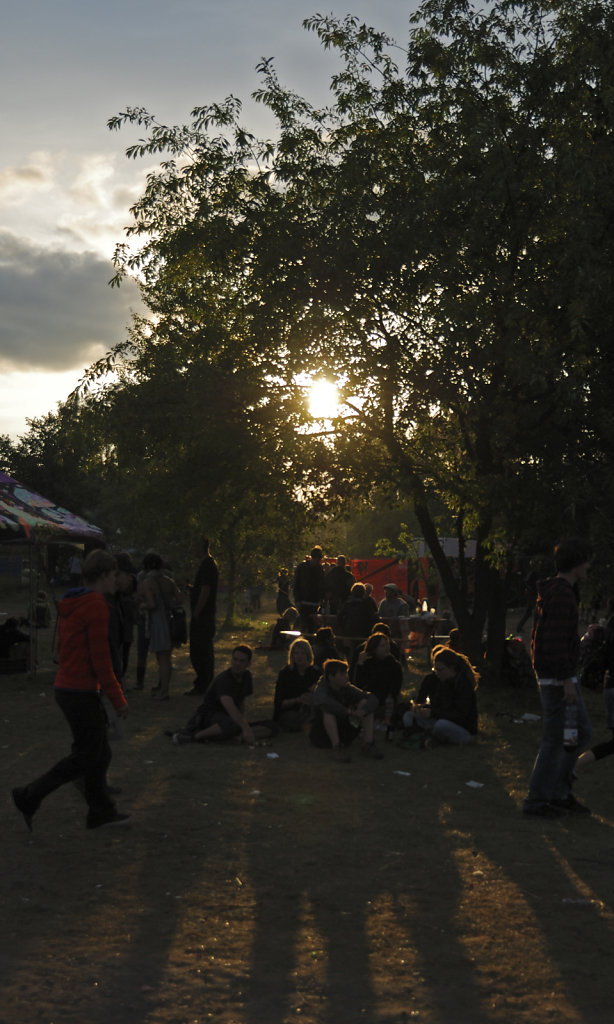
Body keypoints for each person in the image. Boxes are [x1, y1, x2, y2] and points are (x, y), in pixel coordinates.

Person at [11, 549, 130, 831]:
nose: (118, 581)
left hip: (68, 688)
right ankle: (30, 796)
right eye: (114, 575)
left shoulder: (74, 602)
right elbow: (101, 660)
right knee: (88, 756)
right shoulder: (96, 606)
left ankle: (99, 811)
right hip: (79, 690)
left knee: (97, 755)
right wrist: (118, 699)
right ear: (103, 575)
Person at [522, 538, 593, 818]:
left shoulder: (557, 591)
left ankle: (558, 794)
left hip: (557, 677)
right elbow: (553, 642)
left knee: (572, 736)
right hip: (558, 680)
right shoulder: (562, 594)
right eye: (586, 561)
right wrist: (566, 680)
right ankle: (538, 800)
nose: (589, 566)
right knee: (558, 739)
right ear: (576, 564)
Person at [171, 645, 256, 745]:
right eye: (235, 659)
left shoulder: (247, 677)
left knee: (269, 727)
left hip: (227, 717)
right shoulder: (224, 680)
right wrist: (244, 727)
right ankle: (195, 736)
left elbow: (241, 701)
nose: (237, 664)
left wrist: (243, 723)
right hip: (209, 716)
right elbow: (230, 707)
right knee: (232, 724)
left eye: (242, 661)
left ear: (249, 663)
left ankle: (232, 737)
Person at [401, 645, 479, 746]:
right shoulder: (441, 682)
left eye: (440, 670)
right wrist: (422, 709)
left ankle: (432, 736)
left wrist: (432, 713)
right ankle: (431, 735)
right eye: (435, 670)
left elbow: (459, 716)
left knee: (440, 725)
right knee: (409, 716)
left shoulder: (463, 686)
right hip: (441, 719)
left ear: (451, 668)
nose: (437, 673)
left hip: (463, 729)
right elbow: (438, 706)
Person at [309, 658, 383, 761]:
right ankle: (337, 748)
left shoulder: (346, 688)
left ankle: (368, 743)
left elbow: (371, 698)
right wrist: (347, 711)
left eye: (346, 673)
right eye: (342, 674)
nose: (346, 677)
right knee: (327, 710)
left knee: (365, 703)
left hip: (344, 729)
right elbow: (324, 701)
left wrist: (363, 710)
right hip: (322, 734)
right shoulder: (322, 689)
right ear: (331, 677)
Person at [138, 551, 181, 700]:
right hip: (170, 621)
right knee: (167, 658)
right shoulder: (169, 581)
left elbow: (151, 604)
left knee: (162, 659)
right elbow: (179, 598)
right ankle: (164, 688)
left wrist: (142, 606)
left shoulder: (147, 582)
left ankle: (164, 691)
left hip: (157, 622)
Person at [186, 537, 219, 696]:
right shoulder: (208, 565)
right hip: (204, 615)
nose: (190, 548)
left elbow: (206, 590)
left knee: (200, 651)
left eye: (193, 544)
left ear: (201, 546)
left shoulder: (207, 565)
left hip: (203, 617)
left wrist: (197, 612)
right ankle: (203, 682)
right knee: (201, 650)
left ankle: (203, 684)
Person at [273, 637, 319, 731]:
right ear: (292, 655)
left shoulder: (314, 673)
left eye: (302, 653)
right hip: (290, 711)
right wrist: (298, 700)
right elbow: (279, 703)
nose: (299, 656)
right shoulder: (285, 674)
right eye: (296, 653)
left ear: (308, 655)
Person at [355, 632, 403, 718]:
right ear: (374, 648)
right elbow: (358, 684)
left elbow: (394, 690)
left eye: (386, 645)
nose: (386, 648)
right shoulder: (367, 664)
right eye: (382, 646)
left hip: (384, 702)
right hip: (368, 698)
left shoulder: (394, 665)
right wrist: (360, 664)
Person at [293, 546, 326, 633]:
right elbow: (296, 584)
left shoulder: (319, 569)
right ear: (313, 557)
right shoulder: (301, 567)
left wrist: (321, 599)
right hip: (303, 601)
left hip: (314, 603)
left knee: (312, 625)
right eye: (316, 558)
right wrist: (297, 599)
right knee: (303, 624)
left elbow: (322, 585)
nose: (317, 561)